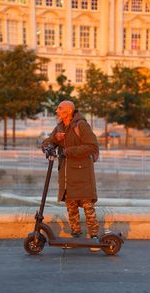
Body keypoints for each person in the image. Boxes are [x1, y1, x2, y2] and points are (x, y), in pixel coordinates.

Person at [42, 100, 100, 250]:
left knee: (88, 206)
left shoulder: (81, 125)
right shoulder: (60, 126)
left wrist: (69, 151)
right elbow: (47, 142)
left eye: (60, 109)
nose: (57, 111)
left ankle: (94, 238)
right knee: (71, 206)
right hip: (67, 174)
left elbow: (92, 146)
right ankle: (76, 236)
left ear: (68, 111)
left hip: (82, 173)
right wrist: (55, 139)